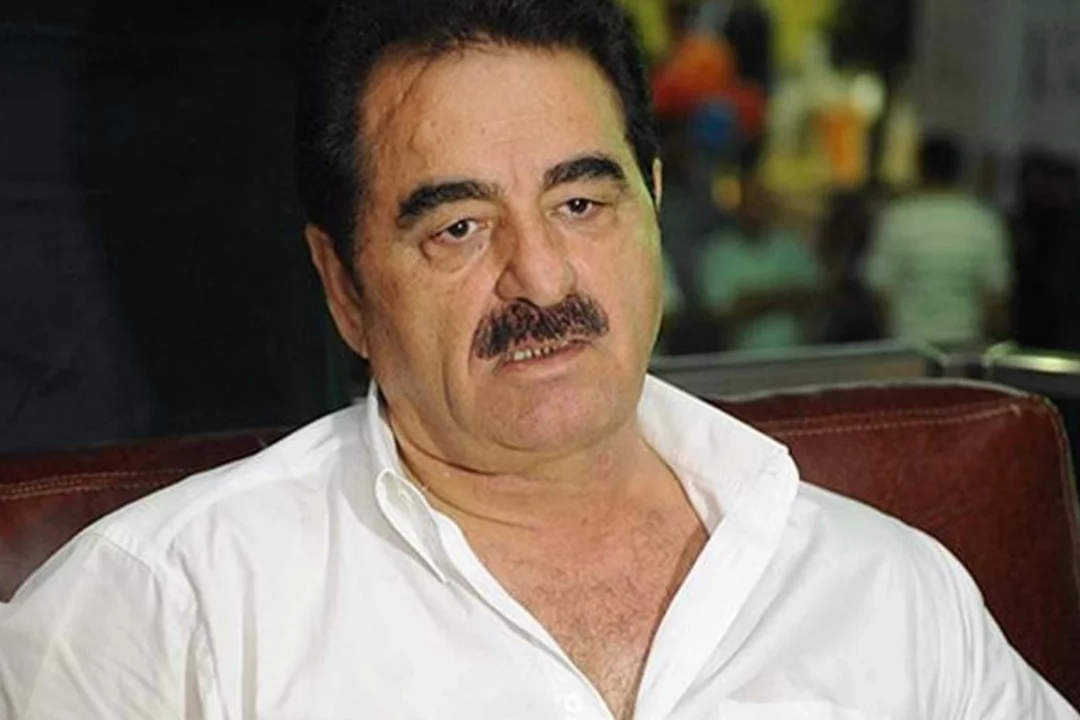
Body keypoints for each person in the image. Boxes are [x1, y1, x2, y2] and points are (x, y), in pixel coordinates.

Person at [0, 1, 1076, 718]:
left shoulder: (890, 590)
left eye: (581, 203)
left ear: (654, 207)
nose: (542, 279)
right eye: (459, 228)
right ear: (343, 287)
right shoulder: (165, 611)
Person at [864, 135, 1012, 346]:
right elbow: (995, 295)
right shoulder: (983, 220)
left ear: (920, 168)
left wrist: (889, 333)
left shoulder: (897, 218)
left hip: (907, 344)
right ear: (959, 171)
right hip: (965, 343)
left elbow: (880, 289)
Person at [700, 178, 823, 351]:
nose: (754, 210)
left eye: (760, 202)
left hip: (796, 354)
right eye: (749, 203)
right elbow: (726, 313)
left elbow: (815, 298)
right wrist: (785, 295)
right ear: (738, 207)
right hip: (739, 358)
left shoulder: (792, 245)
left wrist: (754, 300)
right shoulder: (718, 252)